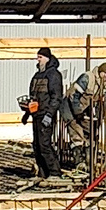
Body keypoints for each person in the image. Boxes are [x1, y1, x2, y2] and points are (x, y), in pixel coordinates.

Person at [22, 45, 66, 180]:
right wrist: (27, 113)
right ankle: (42, 173)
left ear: (47, 58)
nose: (38, 60)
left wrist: (49, 114)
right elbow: (33, 97)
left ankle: (55, 172)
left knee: (44, 144)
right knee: (36, 146)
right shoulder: (37, 75)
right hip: (36, 114)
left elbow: (56, 97)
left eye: (40, 57)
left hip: (45, 115)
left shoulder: (53, 75)